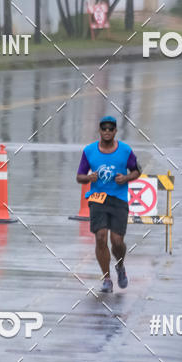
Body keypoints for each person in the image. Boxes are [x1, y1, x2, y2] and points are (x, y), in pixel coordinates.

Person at [76, 115, 141, 293]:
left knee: (117, 241)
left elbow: (136, 171)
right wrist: (88, 177)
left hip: (119, 199)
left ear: (115, 131)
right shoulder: (89, 151)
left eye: (110, 129)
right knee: (100, 237)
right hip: (98, 198)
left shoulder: (125, 150)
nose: (107, 131)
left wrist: (126, 178)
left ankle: (120, 266)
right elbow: (79, 176)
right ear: (99, 130)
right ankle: (106, 279)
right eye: (103, 128)